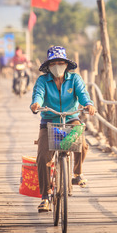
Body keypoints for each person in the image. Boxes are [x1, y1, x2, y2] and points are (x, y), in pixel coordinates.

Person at [30, 46, 96, 212]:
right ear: (48, 65)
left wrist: (88, 104)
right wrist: (36, 104)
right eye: (54, 63)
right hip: (49, 120)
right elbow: (38, 94)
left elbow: (83, 94)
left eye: (61, 62)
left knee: (82, 141)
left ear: (66, 64)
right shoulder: (43, 81)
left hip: (71, 117)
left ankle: (76, 174)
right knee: (43, 156)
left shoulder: (75, 79)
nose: (58, 65)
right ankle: (45, 196)